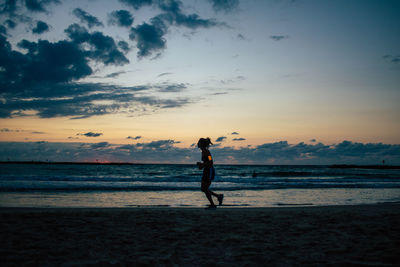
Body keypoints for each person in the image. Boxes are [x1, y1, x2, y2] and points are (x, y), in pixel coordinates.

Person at [197, 137, 223, 209]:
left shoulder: (207, 152)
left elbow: (211, 162)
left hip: (209, 171)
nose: (198, 144)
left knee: (204, 189)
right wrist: (201, 165)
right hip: (206, 170)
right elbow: (207, 162)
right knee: (203, 189)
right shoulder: (203, 152)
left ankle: (213, 204)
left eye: (199, 142)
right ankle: (218, 196)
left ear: (202, 144)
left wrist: (202, 165)